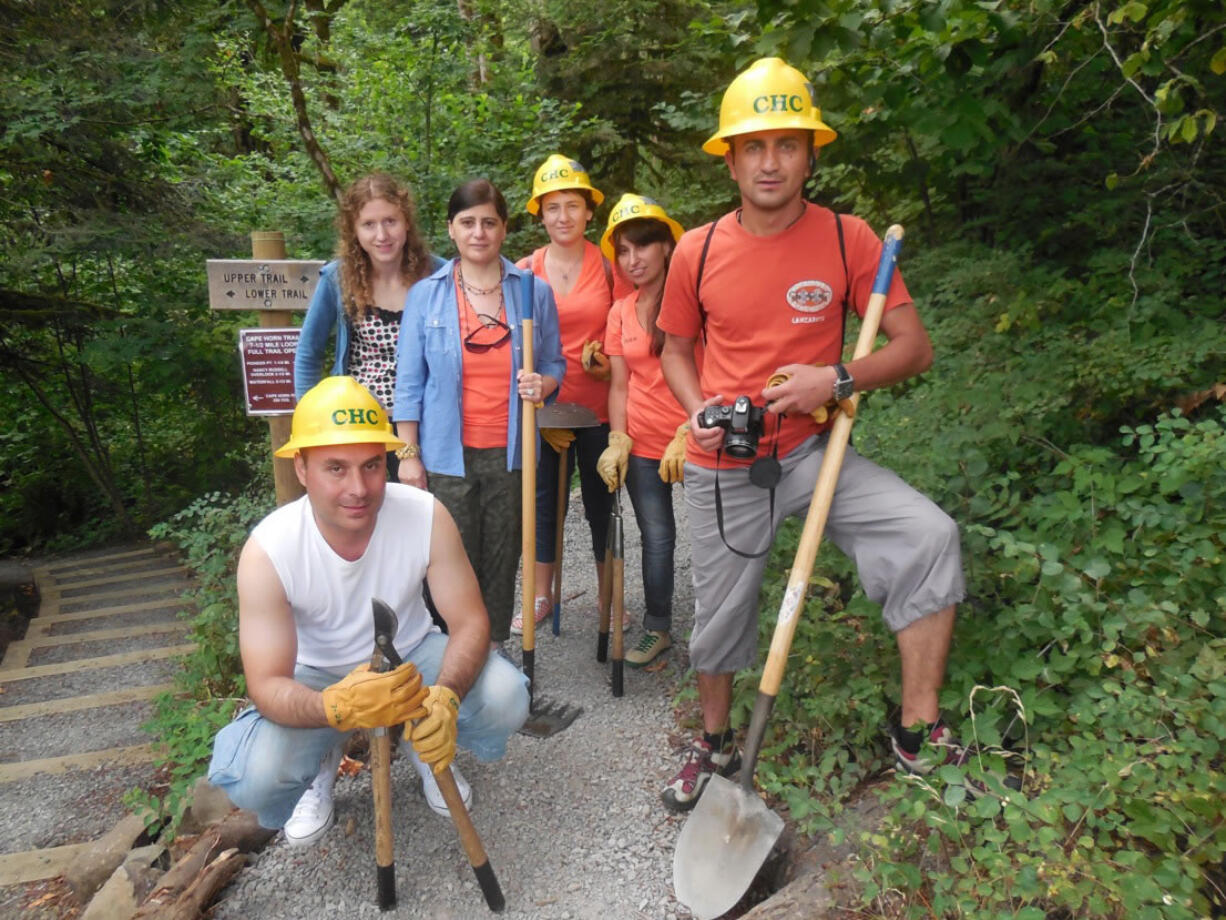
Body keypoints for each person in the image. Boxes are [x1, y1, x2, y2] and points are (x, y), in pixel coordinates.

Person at [655, 57, 966, 812]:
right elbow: (673, 349)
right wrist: (697, 408)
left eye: (786, 144)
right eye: (753, 146)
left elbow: (912, 347)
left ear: (810, 154)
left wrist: (839, 380)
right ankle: (716, 743)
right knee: (722, 614)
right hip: (724, 462)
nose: (770, 162)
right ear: (728, 159)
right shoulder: (694, 251)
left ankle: (917, 731)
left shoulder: (846, 238)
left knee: (928, 536)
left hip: (814, 453)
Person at [207, 376, 529, 847]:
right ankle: (321, 761)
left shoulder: (425, 514)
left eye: (372, 465)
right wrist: (331, 707)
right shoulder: (269, 551)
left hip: (412, 656)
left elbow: (470, 622)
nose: (358, 488)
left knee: (506, 697)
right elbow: (266, 683)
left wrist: (447, 695)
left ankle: (427, 739)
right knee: (258, 775)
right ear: (302, 468)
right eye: (335, 468)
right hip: (318, 675)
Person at [393, 179, 565, 650]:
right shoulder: (426, 296)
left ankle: (492, 657)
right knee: (449, 560)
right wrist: (409, 456)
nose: (478, 233)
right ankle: (449, 656)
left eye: (489, 222)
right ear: (451, 230)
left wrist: (544, 384)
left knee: (502, 557)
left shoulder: (532, 292)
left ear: (504, 229)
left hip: (511, 451)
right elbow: (407, 385)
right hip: (447, 455)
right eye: (467, 222)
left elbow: (554, 364)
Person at [513, 154, 631, 635]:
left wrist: (606, 366)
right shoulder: (524, 271)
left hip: (598, 407)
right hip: (542, 410)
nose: (563, 216)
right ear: (540, 213)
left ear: (589, 213)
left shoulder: (607, 269)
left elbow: (627, 333)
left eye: (573, 206)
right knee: (543, 504)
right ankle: (542, 594)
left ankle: (610, 598)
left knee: (602, 503)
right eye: (553, 207)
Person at [294, 173, 443, 481]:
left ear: (406, 223)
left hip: (429, 425)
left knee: (425, 519)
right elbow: (308, 353)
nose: (382, 234)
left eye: (390, 221)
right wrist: (312, 423)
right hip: (360, 427)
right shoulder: (338, 279)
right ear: (354, 231)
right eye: (369, 224)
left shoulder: (438, 274)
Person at [594, 194, 689, 668]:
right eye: (623, 252)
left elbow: (716, 369)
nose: (633, 261)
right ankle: (658, 628)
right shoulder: (620, 312)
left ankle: (724, 626)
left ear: (666, 247)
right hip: (646, 443)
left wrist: (692, 428)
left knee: (719, 533)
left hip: (698, 439)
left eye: (642, 248)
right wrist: (618, 437)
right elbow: (619, 384)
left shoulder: (694, 301)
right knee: (657, 536)